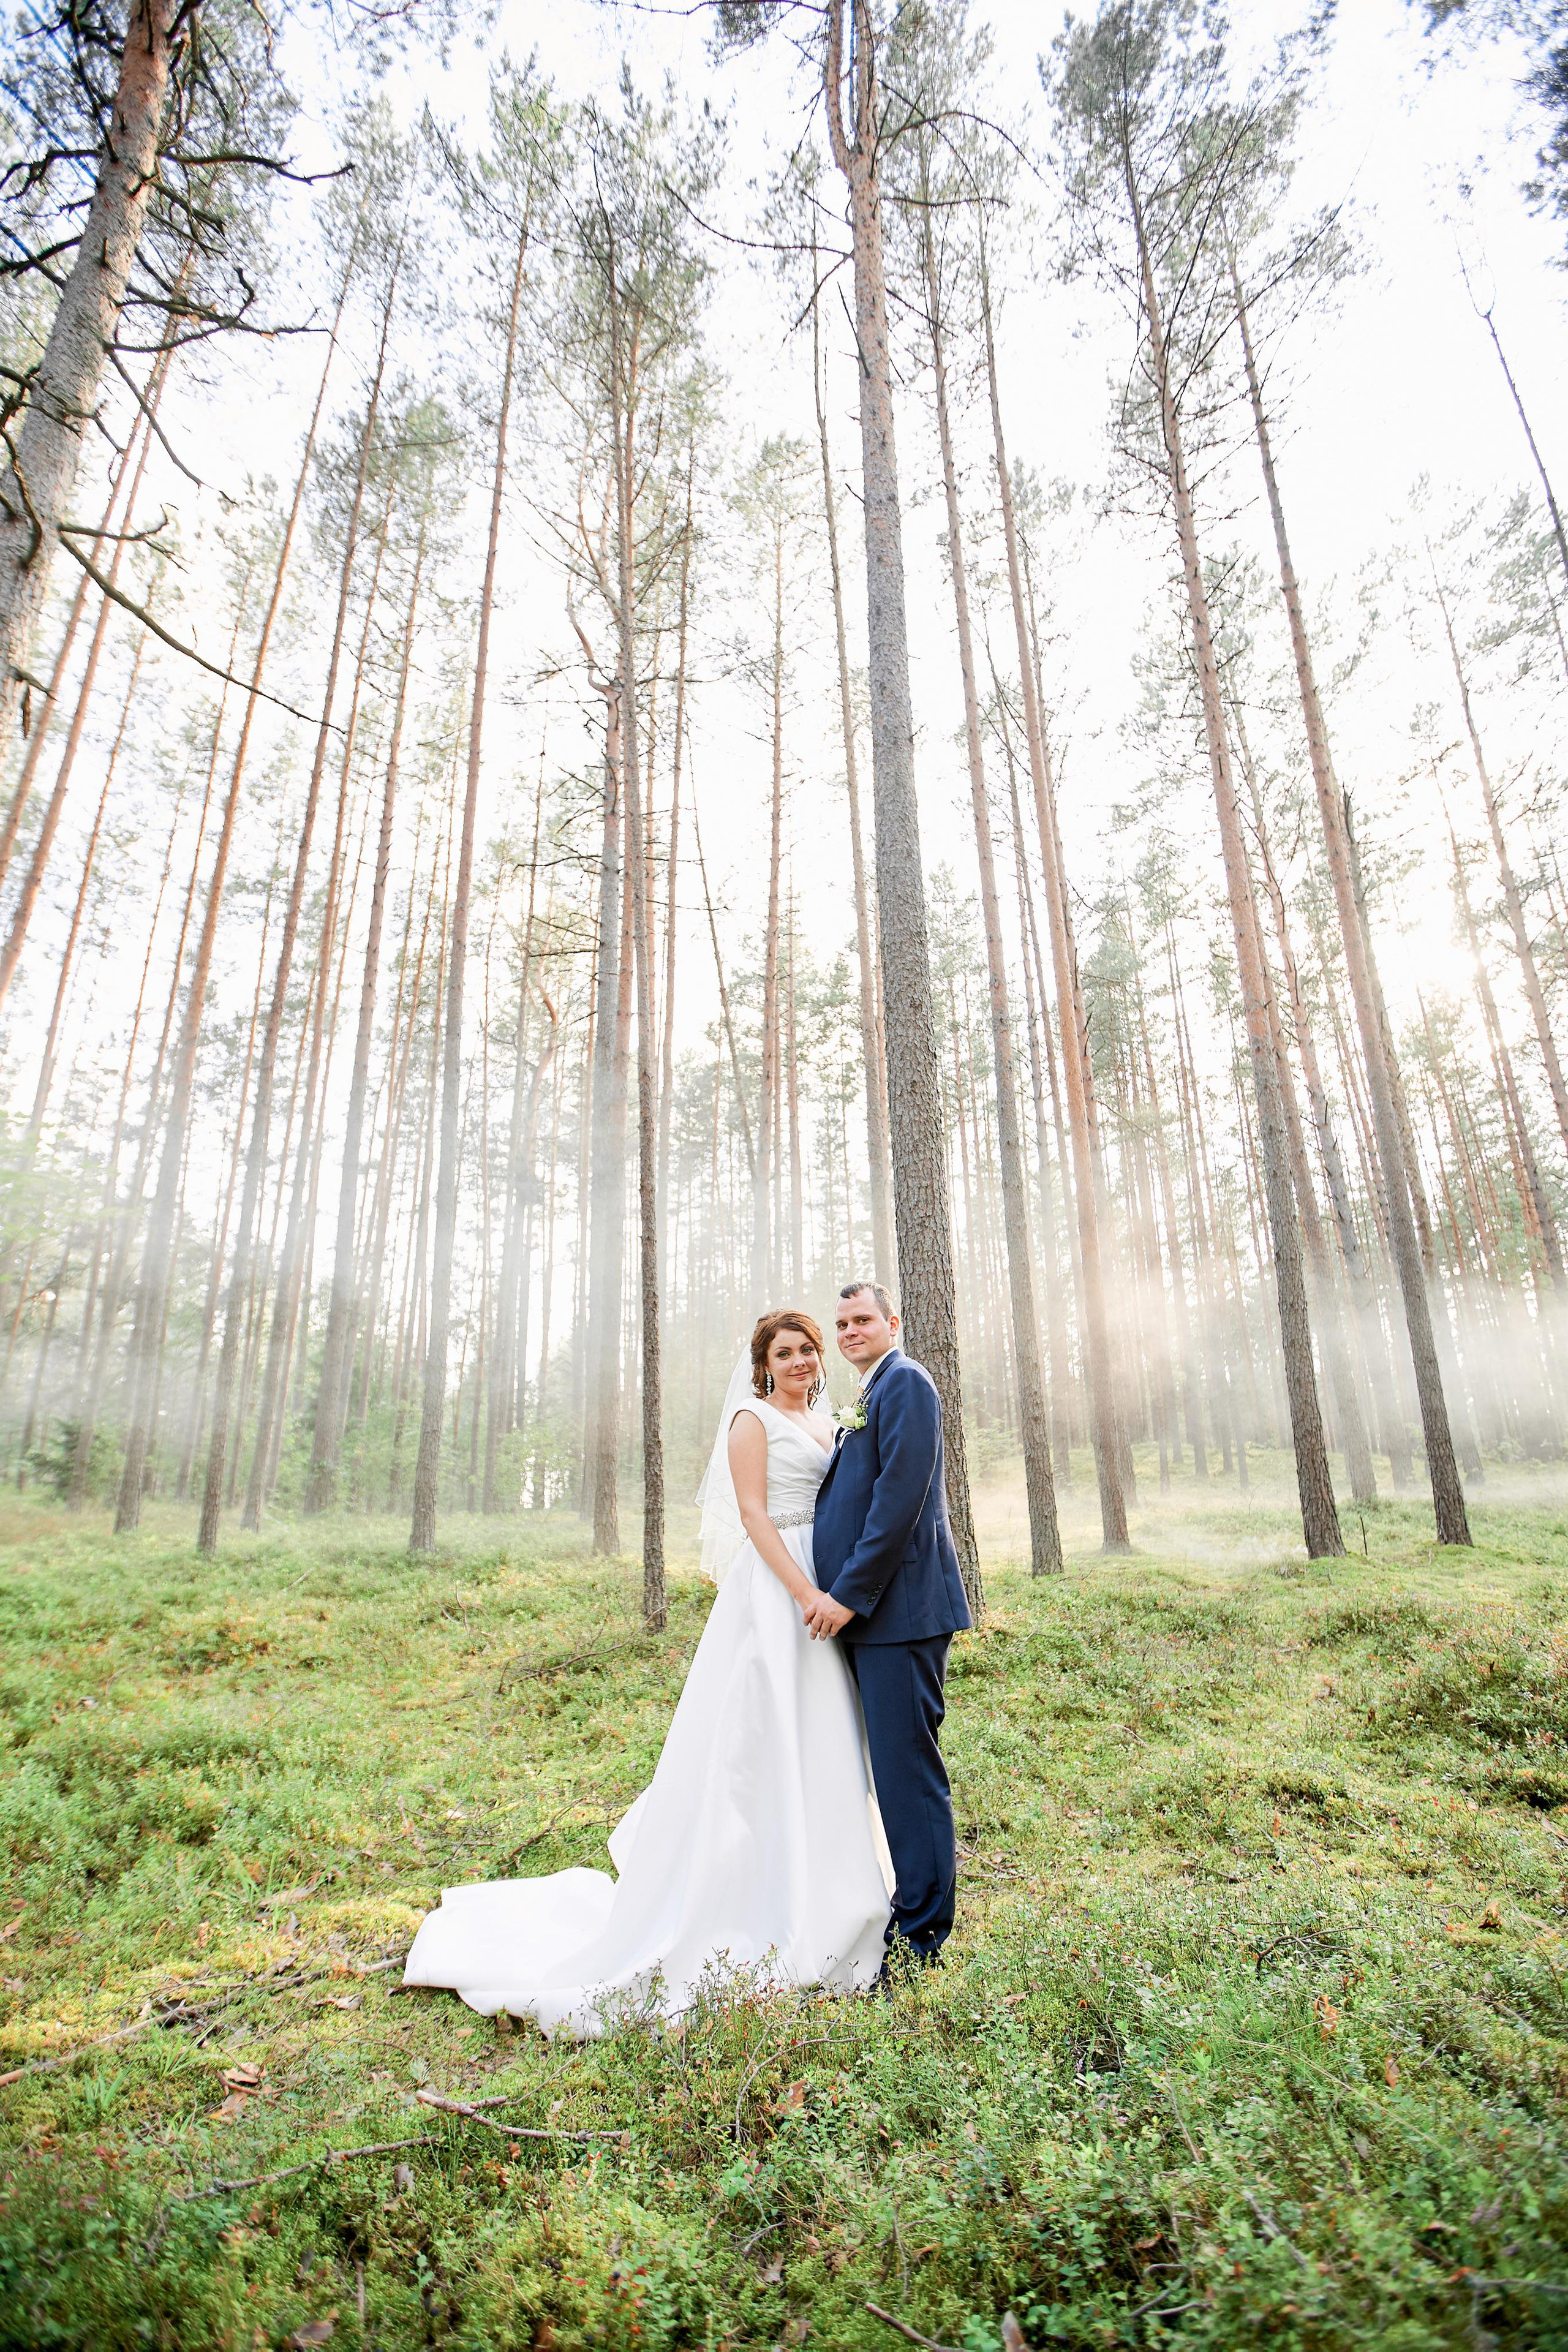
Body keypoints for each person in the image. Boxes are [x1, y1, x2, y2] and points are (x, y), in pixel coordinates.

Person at [401, 1309, 892, 2036]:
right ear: (762, 1365)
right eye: (784, 1353)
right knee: (761, 1735)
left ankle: (830, 1887)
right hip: (782, 1589)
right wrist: (806, 1592)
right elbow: (755, 1517)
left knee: (823, 1735)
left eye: (806, 1351)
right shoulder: (750, 1421)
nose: (797, 1362)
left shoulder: (831, 1422)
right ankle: (750, 1898)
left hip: (829, 1583)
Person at [809, 1280, 971, 1977]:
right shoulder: (870, 1393)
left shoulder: (906, 1383)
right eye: (841, 1322)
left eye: (862, 1319)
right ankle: (906, 1911)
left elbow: (900, 1498)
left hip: (898, 1613)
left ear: (891, 1322)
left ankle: (922, 1938)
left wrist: (848, 1594)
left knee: (907, 1774)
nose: (849, 1331)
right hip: (874, 1618)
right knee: (889, 1770)